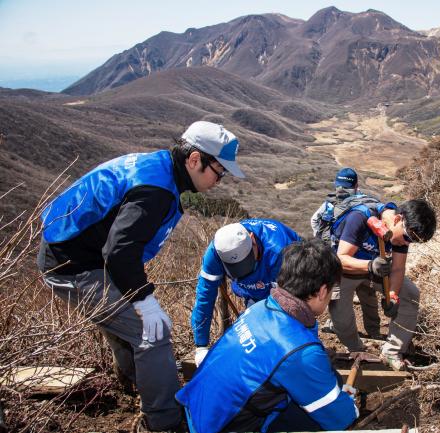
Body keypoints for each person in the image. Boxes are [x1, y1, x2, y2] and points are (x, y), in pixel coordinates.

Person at [37, 121, 244, 432]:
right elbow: (119, 253)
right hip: (73, 266)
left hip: (77, 255)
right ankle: (165, 422)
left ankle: (137, 383)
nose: (221, 179)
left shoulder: (158, 167)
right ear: (194, 159)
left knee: (127, 324)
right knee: (152, 333)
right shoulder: (155, 192)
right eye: (219, 170)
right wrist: (144, 301)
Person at [177, 239, 359, 433]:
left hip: (197, 409)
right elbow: (340, 419)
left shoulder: (260, 308)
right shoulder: (299, 351)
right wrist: (349, 405)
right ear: (323, 291)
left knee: (322, 385)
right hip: (221, 427)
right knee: (325, 417)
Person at [328, 198, 436, 371]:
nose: (407, 243)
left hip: (377, 270)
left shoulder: (401, 235)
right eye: (407, 238)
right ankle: (355, 349)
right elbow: (340, 260)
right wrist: (369, 265)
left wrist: (392, 295)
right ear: (397, 219)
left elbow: (398, 269)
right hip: (345, 270)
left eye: (412, 242)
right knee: (341, 315)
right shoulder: (359, 218)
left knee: (410, 294)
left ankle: (392, 351)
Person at [191, 219, 301, 366]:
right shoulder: (216, 252)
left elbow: (296, 299)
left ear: (252, 240)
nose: (244, 271)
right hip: (252, 293)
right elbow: (205, 296)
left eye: (247, 263)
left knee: (286, 335)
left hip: (289, 282)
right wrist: (201, 346)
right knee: (256, 336)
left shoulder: (280, 249)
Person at [310, 167, 364, 239]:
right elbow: (314, 220)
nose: (341, 189)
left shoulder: (364, 203)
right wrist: (320, 237)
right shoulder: (330, 203)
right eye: (339, 186)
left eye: (346, 187)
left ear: (356, 186)